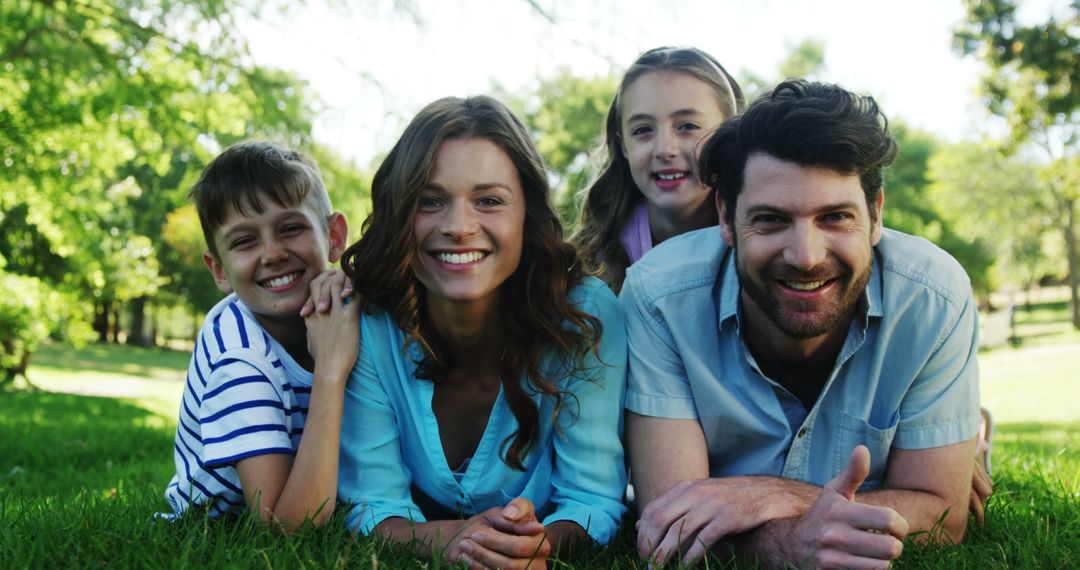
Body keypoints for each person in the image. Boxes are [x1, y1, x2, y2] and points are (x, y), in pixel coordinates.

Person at [623, 80, 982, 568]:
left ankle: (971, 437)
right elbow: (672, 525)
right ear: (726, 217)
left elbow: (943, 514)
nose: (806, 256)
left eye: (835, 217)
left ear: (875, 216)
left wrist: (769, 494)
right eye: (770, 220)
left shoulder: (933, 299)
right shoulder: (659, 298)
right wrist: (789, 543)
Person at [337, 96, 627, 568]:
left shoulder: (584, 316)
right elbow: (374, 505)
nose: (458, 227)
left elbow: (591, 500)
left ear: (525, 214)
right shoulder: (372, 320)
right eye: (430, 202)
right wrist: (453, 540)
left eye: (488, 201)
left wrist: (536, 546)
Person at [163, 141, 359, 532]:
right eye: (244, 241)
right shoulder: (239, 357)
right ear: (218, 270)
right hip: (221, 524)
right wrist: (330, 371)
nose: (272, 253)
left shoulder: (347, 308)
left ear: (335, 237)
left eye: (291, 228)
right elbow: (287, 527)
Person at [572, 46, 744, 292]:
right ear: (623, 146)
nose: (665, 149)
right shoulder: (593, 266)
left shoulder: (760, 242)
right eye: (643, 130)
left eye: (687, 126)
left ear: (728, 134)